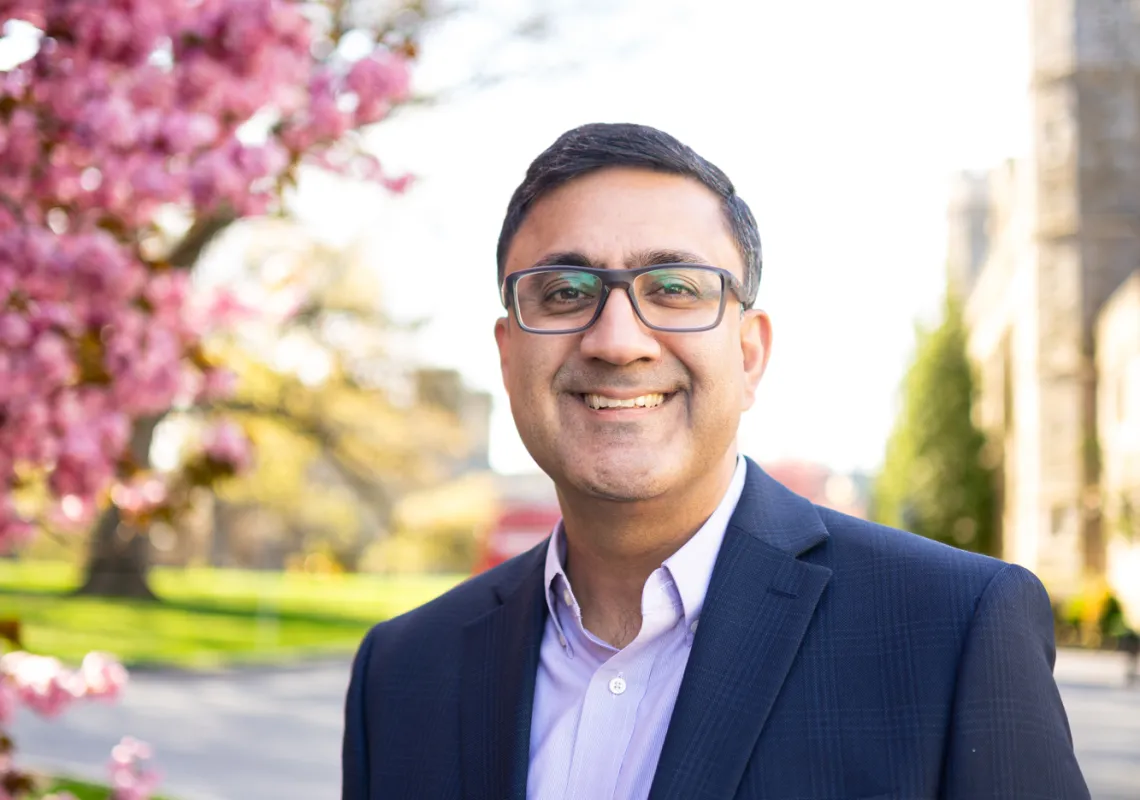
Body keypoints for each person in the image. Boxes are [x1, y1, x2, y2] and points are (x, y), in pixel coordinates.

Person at [341, 123, 1090, 799]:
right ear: (509, 359)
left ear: (750, 354)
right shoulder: (401, 673)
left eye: (674, 288)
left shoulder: (952, 631)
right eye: (565, 291)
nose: (617, 341)